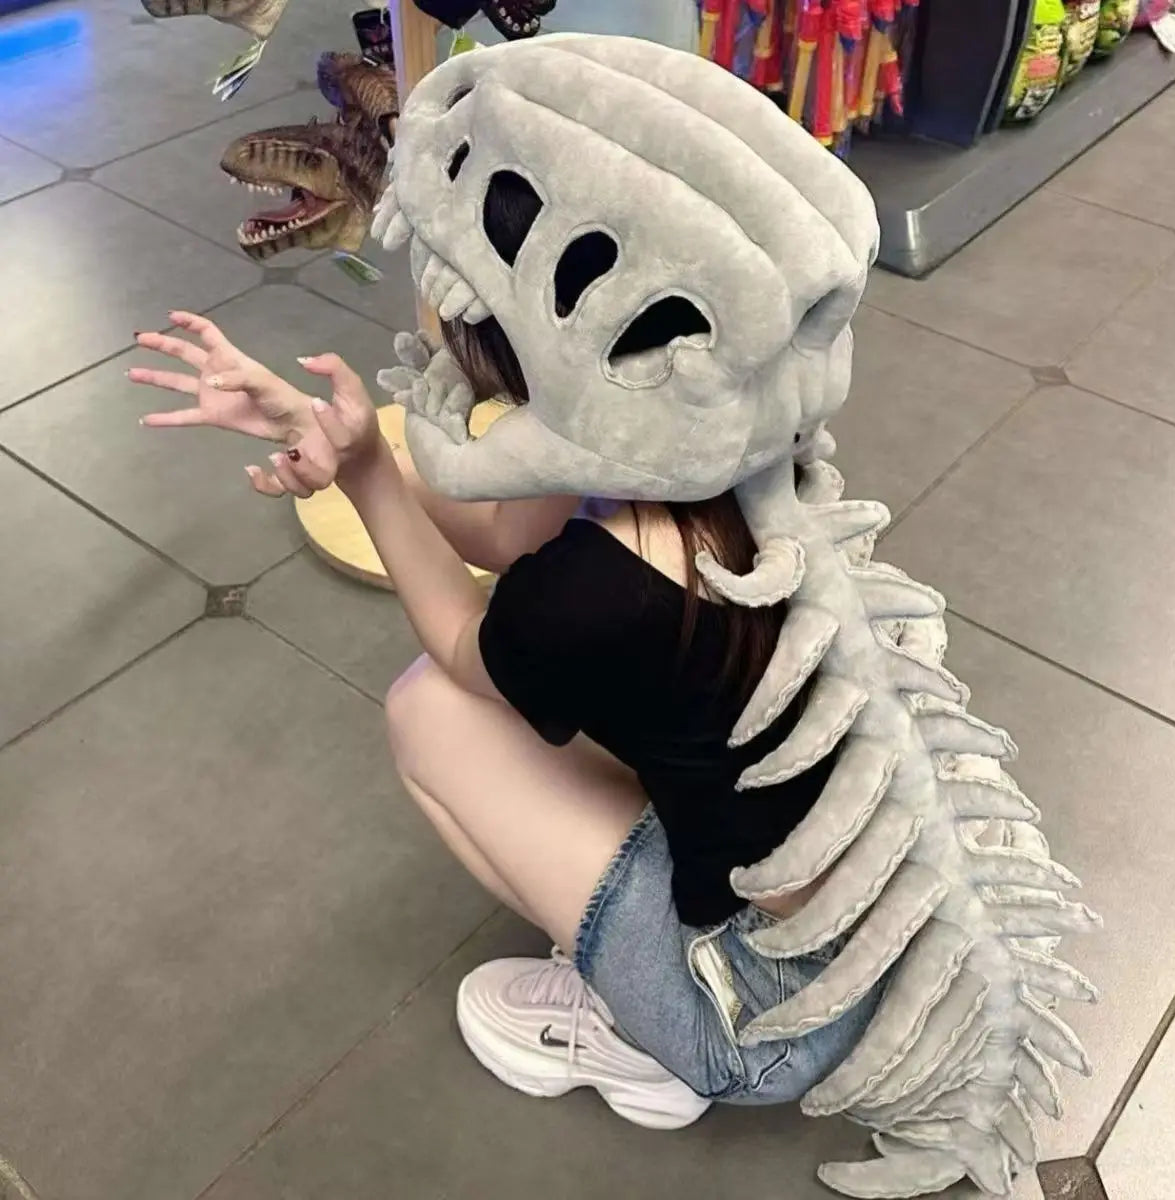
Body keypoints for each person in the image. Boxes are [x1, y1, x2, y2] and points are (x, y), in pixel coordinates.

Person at [129, 75, 881, 1137]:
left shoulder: (591, 593)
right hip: (862, 922)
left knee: (427, 714)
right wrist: (338, 433)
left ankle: (649, 1041)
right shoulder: (726, 443)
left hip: (763, 1019)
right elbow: (500, 529)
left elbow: (461, 643)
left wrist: (368, 476)